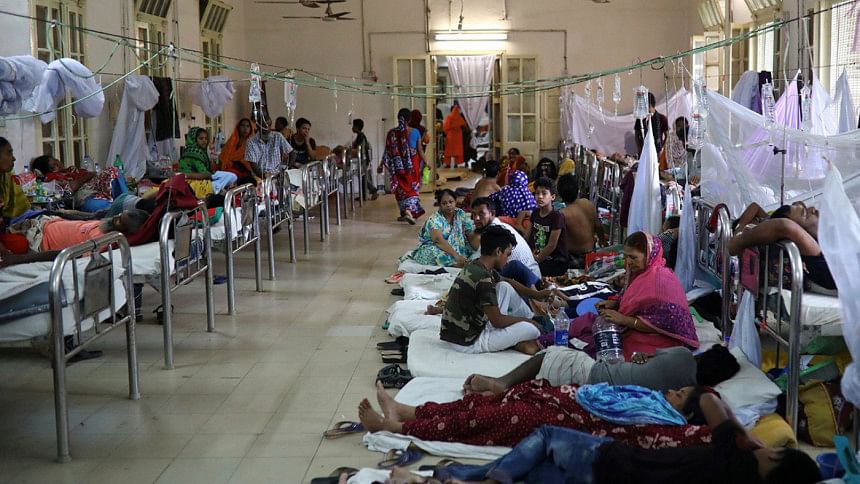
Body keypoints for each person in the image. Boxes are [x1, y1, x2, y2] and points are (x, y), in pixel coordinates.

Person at [436, 392, 821, 484]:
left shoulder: (734, 452)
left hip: (614, 457)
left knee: (546, 434)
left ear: (775, 458)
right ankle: (452, 475)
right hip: (615, 476)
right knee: (532, 471)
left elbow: (707, 398)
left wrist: (745, 436)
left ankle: (476, 479)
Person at [358, 379, 712, 449]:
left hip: (565, 422)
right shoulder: (651, 399)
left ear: (688, 413)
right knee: (490, 401)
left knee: (489, 418)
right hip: (564, 402)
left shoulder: (664, 426)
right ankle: (408, 410)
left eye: (680, 396)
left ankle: (398, 428)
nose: (672, 392)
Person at [439, 225, 570, 356]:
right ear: (498, 251)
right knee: (532, 329)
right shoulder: (484, 278)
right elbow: (498, 321)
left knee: (504, 286)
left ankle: (531, 320)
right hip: (468, 342)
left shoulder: (476, 264)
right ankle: (523, 339)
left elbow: (507, 281)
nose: (508, 260)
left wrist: (537, 294)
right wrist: (528, 322)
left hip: (460, 333)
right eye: (507, 254)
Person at [568, 232, 699, 361]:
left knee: (617, 349)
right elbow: (635, 298)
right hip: (636, 327)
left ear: (649, 255)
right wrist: (616, 303)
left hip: (662, 336)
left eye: (633, 257)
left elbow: (666, 323)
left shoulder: (661, 281)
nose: (629, 262)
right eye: (626, 257)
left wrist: (624, 320)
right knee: (589, 324)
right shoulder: (640, 273)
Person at [464, 344, 739, 397]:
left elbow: (645, 357)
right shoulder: (694, 392)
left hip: (597, 376)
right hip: (609, 388)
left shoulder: (683, 356)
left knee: (552, 354)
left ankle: (502, 383)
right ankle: (505, 390)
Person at [728, 201, 835, 292]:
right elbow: (784, 226)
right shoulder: (817, 253)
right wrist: (737, 242)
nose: (814, 209)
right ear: (800, 232)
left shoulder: (828, 246)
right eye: (805, 214)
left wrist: (739, 232)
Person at [470, 196, 541, 284]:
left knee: (476, 276)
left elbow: (482, 260)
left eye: (481, 214)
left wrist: (465, 263)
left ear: (492, 213)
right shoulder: (497, 227)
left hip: (529, 278)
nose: (476, 218)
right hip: (531, 275)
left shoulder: (495, 232)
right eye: (474, 214)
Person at [10, 209, 149, 252]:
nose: (115, 218)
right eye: (119, 215)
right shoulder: (106, 225)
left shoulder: (102, 242)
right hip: (46, 222)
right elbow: (85, 219)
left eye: (120, 222)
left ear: (125, 232)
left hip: (38, 239)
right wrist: (63, 212)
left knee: (10, 242)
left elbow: (79, 258)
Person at [30, 155, 127, 213]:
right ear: (48, 171)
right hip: (86, 197)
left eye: (56, 161)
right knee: (107, 206)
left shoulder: (70, 170)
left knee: (114, 173)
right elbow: (70, 188)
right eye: (53, 166)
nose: (58, 164)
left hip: (99, 189)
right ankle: (124, 205)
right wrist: (88, 176)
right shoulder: (52, 178)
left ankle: (127, 202)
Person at [407, 189, 474, 267]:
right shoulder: (435, 219)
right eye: (444, 203)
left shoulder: (460, 214)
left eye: (451, 202)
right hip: (436, 247)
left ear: (455, 202)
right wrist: (456, 255)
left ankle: (457, 261)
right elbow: (438, 240)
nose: (448, 205)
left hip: (455, 247)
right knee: (434, 253)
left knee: (470, 250)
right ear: (440, 205)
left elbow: (470, 232)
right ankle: (453, 264)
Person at [381, 109, 425, 224]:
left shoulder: (391, 133)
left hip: (397, 167)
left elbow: (387, 151)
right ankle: (409, 212)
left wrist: (381, 164)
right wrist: (427, 162)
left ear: (398, 118)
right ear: (409, 120)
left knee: (401, 190)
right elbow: (420, 150)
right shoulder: (415, 132)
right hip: (412, 166)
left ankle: (405, 212)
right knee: (412, 189)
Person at [523, 177, 569, 277]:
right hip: (537, 256)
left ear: (552, 197)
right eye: (537, 193)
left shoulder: (557, 216)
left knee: (527, 273)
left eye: (544, 193)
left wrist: (536, 261)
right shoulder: (535, 213)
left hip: (556, 261)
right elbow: (526, 237)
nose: (540, 196)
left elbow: (552, 245)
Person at [178, 127, 238, 199]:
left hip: (201, 179)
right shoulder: (193, 153)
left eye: (206, 138)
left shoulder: (201, 151)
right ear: (194, 140)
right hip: (192, 183)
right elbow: (204, 173)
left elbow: (207, 173)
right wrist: (210, 175)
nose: (204, 141)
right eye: (201, 138)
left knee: (232, 176)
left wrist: (212, 174)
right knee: (229, 177)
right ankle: (218, 190)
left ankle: (219, 189)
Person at [557, 174, 604, 263]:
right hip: (592, 254)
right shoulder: (587, 203)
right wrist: (602, 241)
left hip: (575, 257)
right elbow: (599, 226)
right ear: (577, 190)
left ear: (559, 194)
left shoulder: (562, 214)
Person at [217, 118, 259, 183]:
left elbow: (253, 163)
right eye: (242, 125)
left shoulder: (252, 143)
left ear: (251, 129)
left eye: (248, 126)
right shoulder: (231, 141)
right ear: (238, 127)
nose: (245, 128)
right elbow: (222, 157)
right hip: (228, 169)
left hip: (245, 172)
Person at [350, 118, 378, 200]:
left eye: (353, 126)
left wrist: (353, 150)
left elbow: (360, 149)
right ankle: (364, 196)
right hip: (363, 159)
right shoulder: (360, 136)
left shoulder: (361, 136)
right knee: (362, 177)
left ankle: (373, 190)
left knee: (363, 177)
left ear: (357, 127)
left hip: (363, 159)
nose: (352, 128)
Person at [634, 92, 670, 156]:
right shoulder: (640, 119)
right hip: (644, 152)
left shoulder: (662, 118)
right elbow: (637, 135)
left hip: (658, 152)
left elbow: (667, 136)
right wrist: (640, 150)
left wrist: (662, 149)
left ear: (649, 104)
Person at [407, 109, 428, 189]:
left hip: (406, 154)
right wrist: (426, 161)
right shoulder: (422, 129)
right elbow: (425, 141)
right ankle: (415, 189)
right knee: (417, 173)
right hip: (418, 155)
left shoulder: (406, 128)